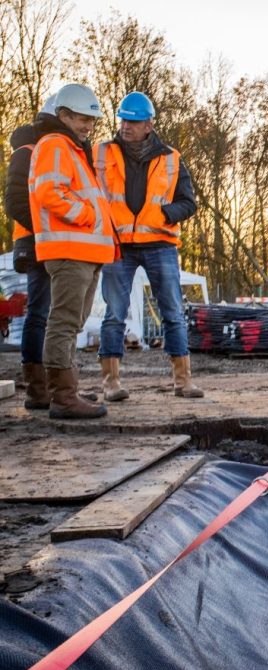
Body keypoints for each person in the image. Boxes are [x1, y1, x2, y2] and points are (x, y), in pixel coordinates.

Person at [95, 91, 202, 400]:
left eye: (134, 121)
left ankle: (183, 381)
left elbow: (188, 202)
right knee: (114, 313)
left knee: (172, 311)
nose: (126, 126)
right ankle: (110, 383)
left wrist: (164, 214)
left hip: (160, 243)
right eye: (123, 120)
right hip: (118, 244)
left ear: (149, 125)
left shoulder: (171, 158)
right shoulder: (102, 153)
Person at [27, 83, 116, 419]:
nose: (87, 127)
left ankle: (66, 389)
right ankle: (63, 397)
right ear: (63, 115)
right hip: (69, 248)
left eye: (91, 122)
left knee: (71, 323)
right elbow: (49, 192)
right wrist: (88, 216)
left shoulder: (70, 147)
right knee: (64, 323)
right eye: (81, 119)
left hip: (83, 250)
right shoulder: (54, 145)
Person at [4, 92, 58, 411]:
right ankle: (37, 389)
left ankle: (54, 384)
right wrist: (45, 226)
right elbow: (15, 201)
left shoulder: (51, 151)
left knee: (54, 314)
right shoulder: (28, 151)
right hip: (37, 243)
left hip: (54, 241)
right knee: (39, 313)